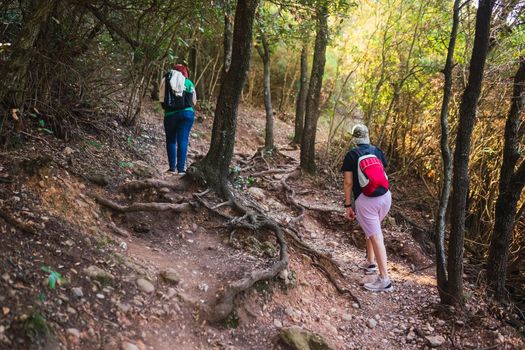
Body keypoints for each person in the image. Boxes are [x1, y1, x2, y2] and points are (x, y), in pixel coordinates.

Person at [341, 124, 393, 292]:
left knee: (376, 236)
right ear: (367, 136)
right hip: (385, 197)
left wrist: (348, 205)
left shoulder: (351, 155)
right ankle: (370, 262)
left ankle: (385, 280)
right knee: (372, 230)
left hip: (367, 201)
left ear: (354, 138)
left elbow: (348, 183)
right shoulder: (377, 151)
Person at [159, 63, 197, 175]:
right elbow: (194, 101)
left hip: (170, 115)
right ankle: (181, 170)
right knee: (183, 140)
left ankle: (172, 168)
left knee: (171, 140)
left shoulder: (166, 81)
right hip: (187, 114)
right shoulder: (189, 83)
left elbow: (161, 99)